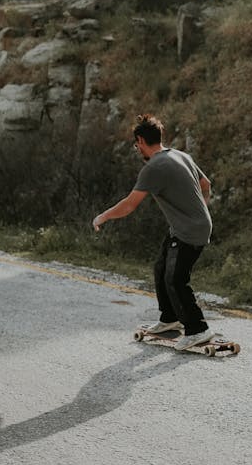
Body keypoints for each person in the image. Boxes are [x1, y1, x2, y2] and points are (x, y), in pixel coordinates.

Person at [92, 113, 218, 350]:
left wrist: (103, 216)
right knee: (161, 268)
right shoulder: (181, 155)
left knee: (176, 279)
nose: (136, 148)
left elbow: (129, 205)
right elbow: (206, 185)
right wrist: (197, 211)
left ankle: (198, 329)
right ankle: (170, 318)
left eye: (136, 144)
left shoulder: (154, 167)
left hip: (189, 230)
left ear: (140, 141)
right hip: (188, 226)